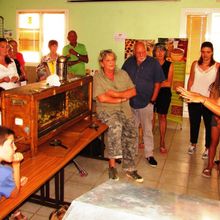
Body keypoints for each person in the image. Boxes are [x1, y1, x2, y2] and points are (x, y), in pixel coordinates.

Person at [93, 49, 143, 183]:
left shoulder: (122, 74)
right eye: (107, 60)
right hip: (106, 110)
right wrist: (121, 97)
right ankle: (112, 166)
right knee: (115, 126)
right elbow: (102, 98)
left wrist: (115, 94)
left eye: (113, 60)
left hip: (124, 110)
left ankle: (130, 168)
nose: (111, 63)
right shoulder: (98, 76)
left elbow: (133, 91)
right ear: (102, 63)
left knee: (132, 131)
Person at [122, 41, 165, 167]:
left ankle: (149, 154)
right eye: (138, 52)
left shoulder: (153, 63)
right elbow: (122, 78)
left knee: (147, 130)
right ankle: (132, 153)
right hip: (131, 102)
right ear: (134, 52)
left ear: (146, 51)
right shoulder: (129, 62)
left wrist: (152, 100)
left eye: (143, 51)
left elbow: (158, 83)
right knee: (132, 129)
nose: (141, 54)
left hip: (146, 102)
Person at [177, 68, 220, 178]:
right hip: (217, 119)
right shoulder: (216, 86)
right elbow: (215, 102)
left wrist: (202, 99)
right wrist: (196, 95)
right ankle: (209, 166)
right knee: (213, 142)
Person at [187, 41, 219, 159]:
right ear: (200, 52)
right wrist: (188, 94)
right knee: (194, 123)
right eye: (203, 52)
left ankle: (207, 147)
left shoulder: (217, 66)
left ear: (212, 53)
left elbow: (217, 86)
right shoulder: (195, 64)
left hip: (208, 101)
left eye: (208, 52)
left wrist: (214, 100)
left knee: (209, 126)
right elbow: (191, 80)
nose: (205, 55)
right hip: (194, 100)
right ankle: (193, 144)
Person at [153, 43, 174, 153]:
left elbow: (168, 83)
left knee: (162, 116)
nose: (160, 53)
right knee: (149, 117)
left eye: (162, 50)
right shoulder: (151, 64)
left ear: (165, 52)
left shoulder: (169, 65)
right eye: (157, 50)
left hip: (164, 94)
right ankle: (146, 140)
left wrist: (156, 85)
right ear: (154, 52)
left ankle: (162, 141)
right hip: (151, 93)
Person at [0, 126, 27, 199]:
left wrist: (10, 182)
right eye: (11, 144)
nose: (15, 148)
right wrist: (16, 164)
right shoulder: (4, 172)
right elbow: (14, 194)